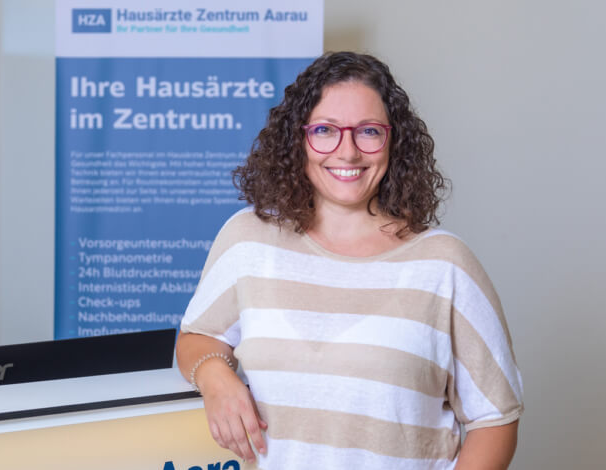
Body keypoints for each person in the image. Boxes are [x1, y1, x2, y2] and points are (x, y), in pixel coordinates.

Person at [176, 51, 523, 470]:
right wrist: (215, 378)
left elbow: (495, 420)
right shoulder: (247, 239)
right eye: (325, 130)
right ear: (298, 140)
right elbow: (197, 337)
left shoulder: (446, 264)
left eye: (368, 132)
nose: (348, 151)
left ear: (394, 141)